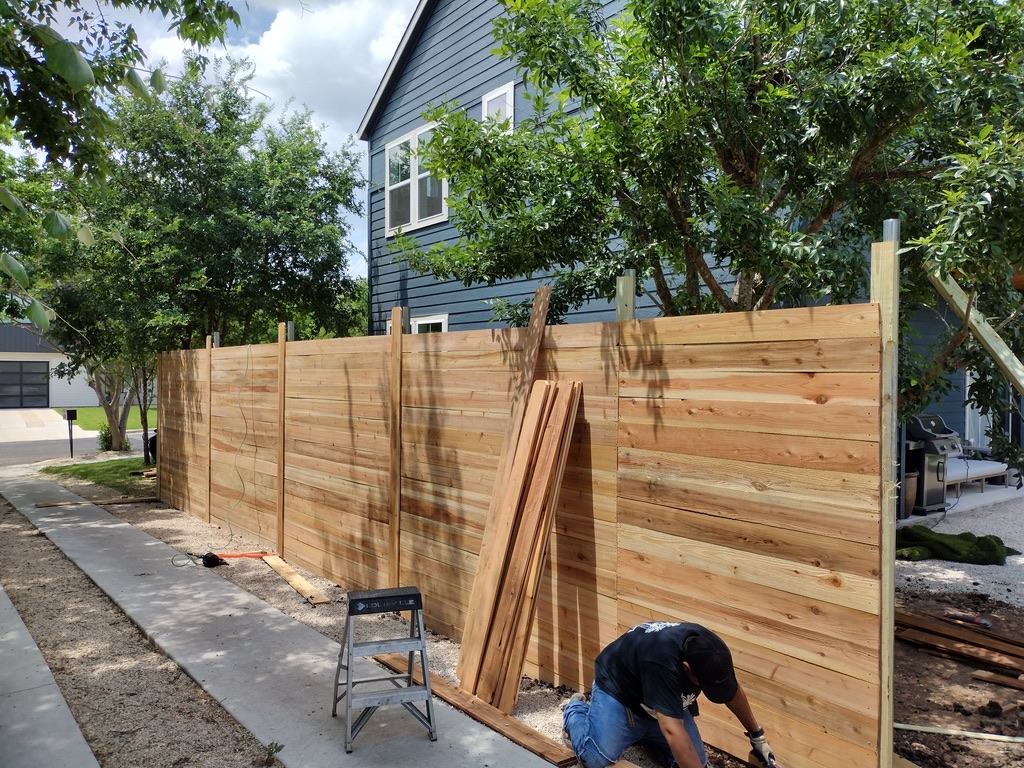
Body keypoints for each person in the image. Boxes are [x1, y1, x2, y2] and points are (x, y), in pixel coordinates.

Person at [562, 621, 779, 768]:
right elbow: (672, 729)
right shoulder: (660, 661)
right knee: (596, 757)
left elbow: (732, 692)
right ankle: (575, 710)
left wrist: (757, 736)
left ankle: (643, 734)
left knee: (696, 762)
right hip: (621, 692)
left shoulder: (713, 651)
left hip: (659, 697)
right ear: (686, 668)